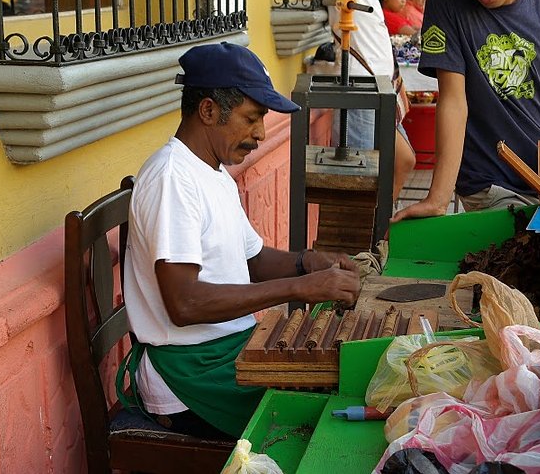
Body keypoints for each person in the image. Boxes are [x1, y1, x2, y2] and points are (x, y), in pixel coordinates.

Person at [118, 42, 361, 440]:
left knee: (339, 379)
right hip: (190, 376)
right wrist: (299, 287)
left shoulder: (212, 172)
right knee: (323, 414)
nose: (261, 134)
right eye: (252, 118)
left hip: (225, 351)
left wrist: (308, 262)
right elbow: (185, 303)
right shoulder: (172, 179)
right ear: (209, 110)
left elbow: (253, 260)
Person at [391, 0, 540, 220]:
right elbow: (453, 100)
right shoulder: (446, 2)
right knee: (518, 245)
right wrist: (438, 199)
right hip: (488, 180)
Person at [328, 0, 417, 203]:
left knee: (404, 160)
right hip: (362, 89)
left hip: (381, 88)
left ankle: (379, 225)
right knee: (363, 175)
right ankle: (369, 229)